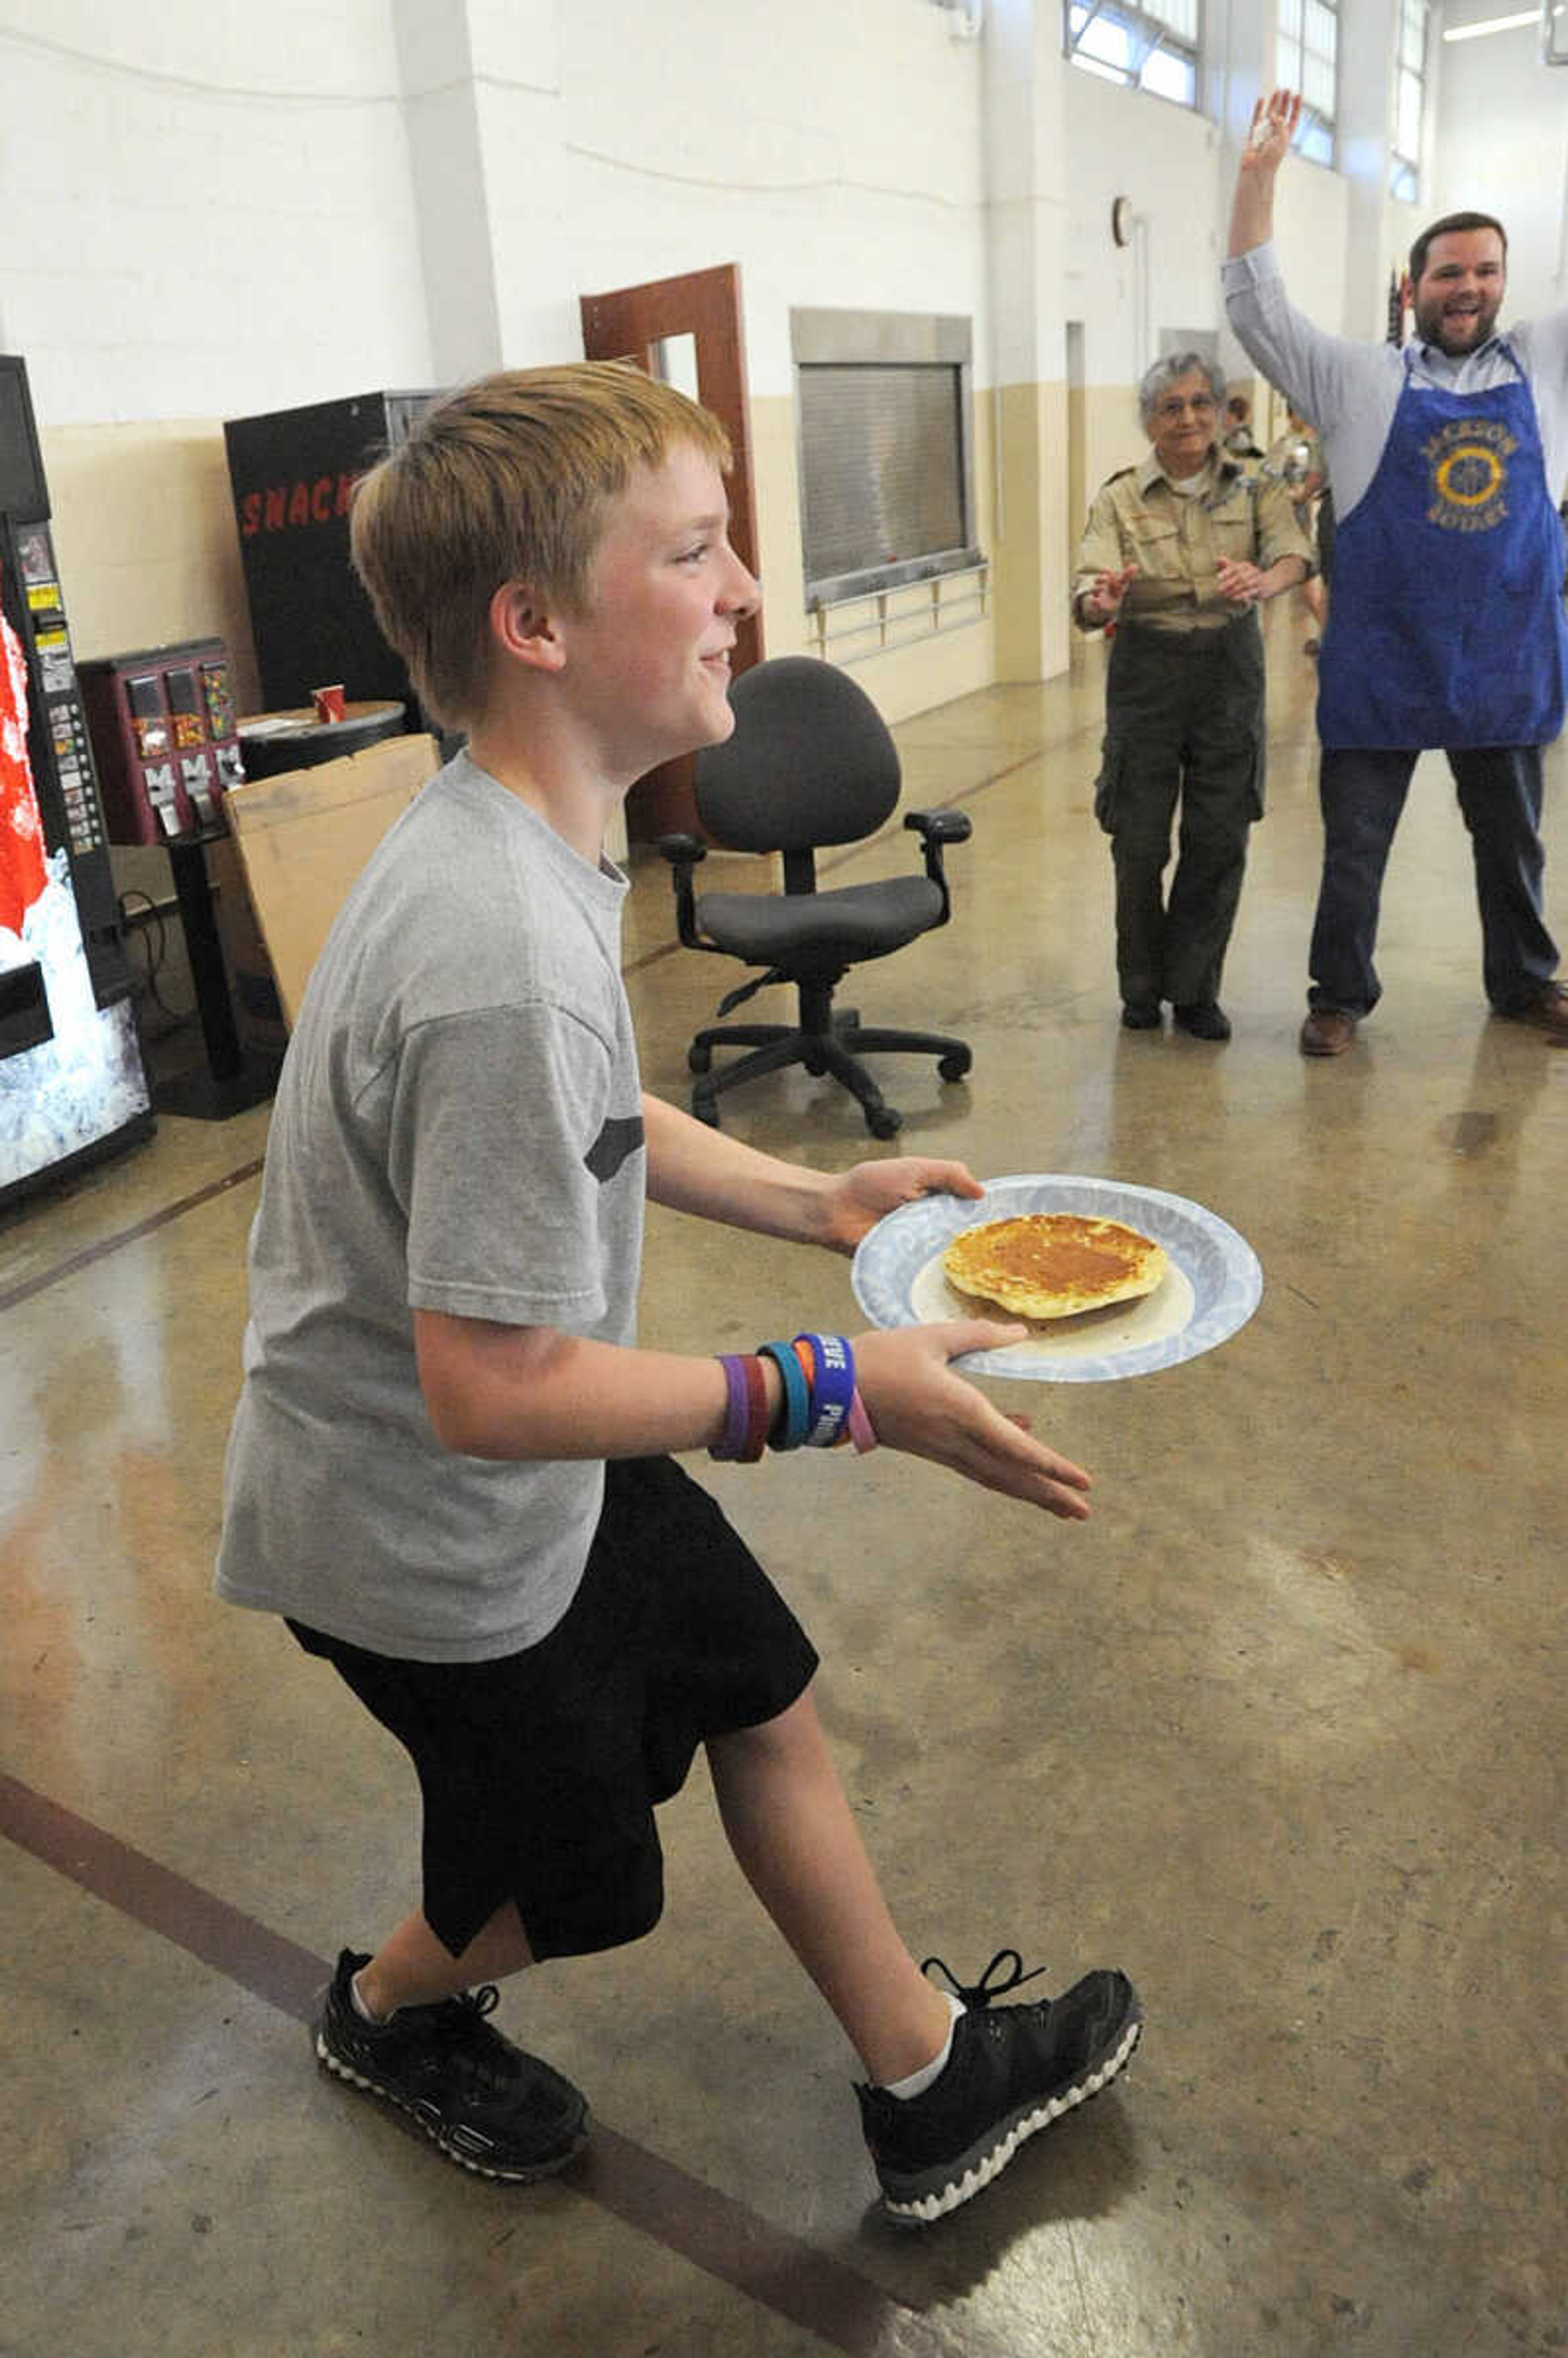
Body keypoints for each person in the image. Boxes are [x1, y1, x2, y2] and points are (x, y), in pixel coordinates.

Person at [213, 363, 1140, 2228]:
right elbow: (493, 1387)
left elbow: (596, 1118)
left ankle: (927, 2085)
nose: (746, 598)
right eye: (700, 553)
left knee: (757, 1686)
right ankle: (387, 2010)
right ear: (536, 623)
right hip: (426, 1526)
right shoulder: (501, 956)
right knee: (567, 1877)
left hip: (507, 1459)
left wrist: (820, 1199)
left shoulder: (518, 832)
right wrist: (828, 1383)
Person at [1226, 88, 1568, 1056]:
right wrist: (1256, 180)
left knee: (1511, 847)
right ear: (1413, 286)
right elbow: (1255, 310)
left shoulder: (1547, 365)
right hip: (1383, 662)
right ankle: (1337, 994)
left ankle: (1524, 982)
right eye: (1448, 272)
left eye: (1485, 271)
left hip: (1504, 661)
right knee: (1354, 852)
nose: (1468, 287)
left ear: (1504, 280)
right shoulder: (1358, 380)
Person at [1072, 350, 1313, 1040]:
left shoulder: (1254, 486)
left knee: (1218, 837)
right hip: (1146, 674)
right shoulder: (1120, 496)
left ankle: (1195, 989)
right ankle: (1142, 988)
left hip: (1228, 675)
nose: (1189, 418)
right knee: (1140, 841)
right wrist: (1102, 599)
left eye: (1200, 403)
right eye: (1171, 406)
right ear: (1149, 419)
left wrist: (1266, 582)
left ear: (1219, 410)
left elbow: (1294, 551)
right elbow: (1087, 590)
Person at [1259, 405, 1329, 650]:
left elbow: (1312, 477)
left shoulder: (1306, 442)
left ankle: (1328, 633)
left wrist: (1300, 495)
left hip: (1296, 509)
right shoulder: (1291, 442)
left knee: (1306, 573)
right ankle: (1327, 632)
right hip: (1290, 508)